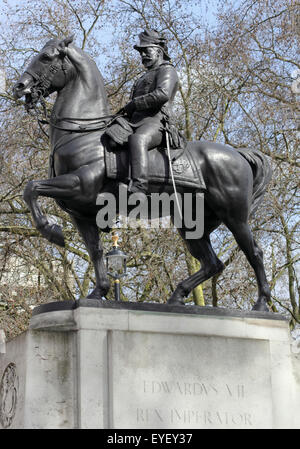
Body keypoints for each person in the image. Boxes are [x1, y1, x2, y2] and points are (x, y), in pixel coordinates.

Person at [119, 29, 180, 196]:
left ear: (159, 51)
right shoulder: (143, 77)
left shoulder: (167, 71)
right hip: (135, 122)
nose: (143, 55)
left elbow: (162, 94)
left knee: (138, 139)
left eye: (147, 50)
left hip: (156, 122)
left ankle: (139, 187)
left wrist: (134, 104)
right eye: (141, 52)